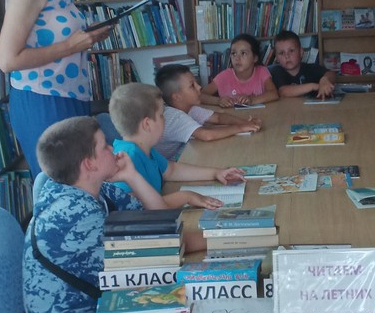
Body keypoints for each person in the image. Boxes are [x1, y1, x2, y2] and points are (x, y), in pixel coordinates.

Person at [22, 116, 165, 313]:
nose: (113, 148)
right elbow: (145, 261)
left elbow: (157, 221)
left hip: (92, 305)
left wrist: (132, 176)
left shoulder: (89, 188)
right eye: (105, 146)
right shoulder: (75, 216)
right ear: (89, 164)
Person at [0, 0, 111, 179]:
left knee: (79, 183)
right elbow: (7, 60)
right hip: (43, 100)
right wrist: (72, 46)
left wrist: (88, 37)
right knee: (58, 185)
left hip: (70, 96)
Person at [108, 83, 245, 208]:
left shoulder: (143, 149)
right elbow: (139, 207)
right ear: (147, 124)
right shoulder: (126, 158)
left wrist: (216, 173)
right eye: (161, 115)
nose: (165, 119)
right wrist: (187, 197)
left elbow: (171, 170)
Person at [155, 64, 262, 159]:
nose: (199, 87)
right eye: (192, 86)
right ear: (177, 97)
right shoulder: (174, 116)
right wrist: (240, 128)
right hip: (163, 166)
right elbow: (207, 135)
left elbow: (218, 118)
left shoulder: (189, 107)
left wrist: (246, 123)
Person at [201, 34, 279, 107]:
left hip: (257, 116)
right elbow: (200, 95)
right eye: (233, 53)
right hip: (230, 116)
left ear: (255, 58)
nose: (237, 58)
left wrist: (251, 100)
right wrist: (218, 101)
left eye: (243, 53)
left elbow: (274, 94)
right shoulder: (224, 76)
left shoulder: (262, 72)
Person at [269, 30, 336, 99]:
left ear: (301, 52)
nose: (287, 56)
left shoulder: (310, 68)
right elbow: (283, 92)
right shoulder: (276, 71)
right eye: (282, 53)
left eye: (291, 51)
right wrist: (315, 86)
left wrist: (325, 80)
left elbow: (331, 74)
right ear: (276, 57)